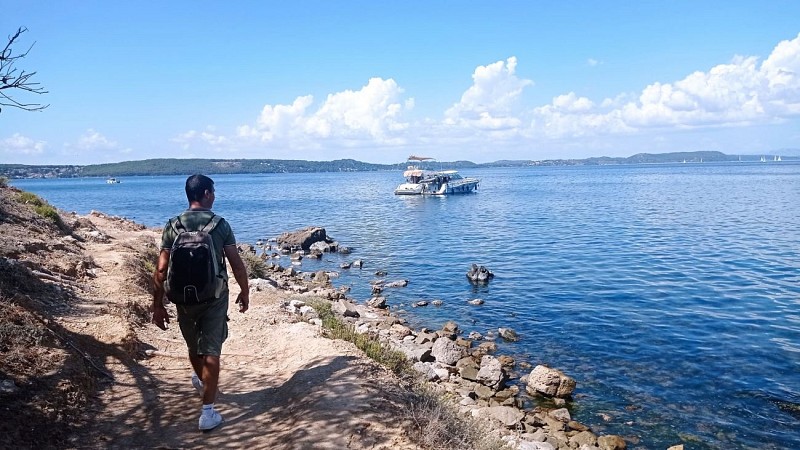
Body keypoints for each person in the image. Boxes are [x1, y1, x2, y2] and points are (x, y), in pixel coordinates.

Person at [151, 174, 249, 431]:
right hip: (214, 296)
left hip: (182, 298)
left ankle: (201, 379)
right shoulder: (220, 225)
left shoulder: (172, 225)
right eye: (213, 192)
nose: (214, 196)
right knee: (212, 349)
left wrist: (157, 304)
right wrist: (245, 291)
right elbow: (236, 263)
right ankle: (207, 413)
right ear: (206, 194)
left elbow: (161, 269)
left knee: (194, 346)